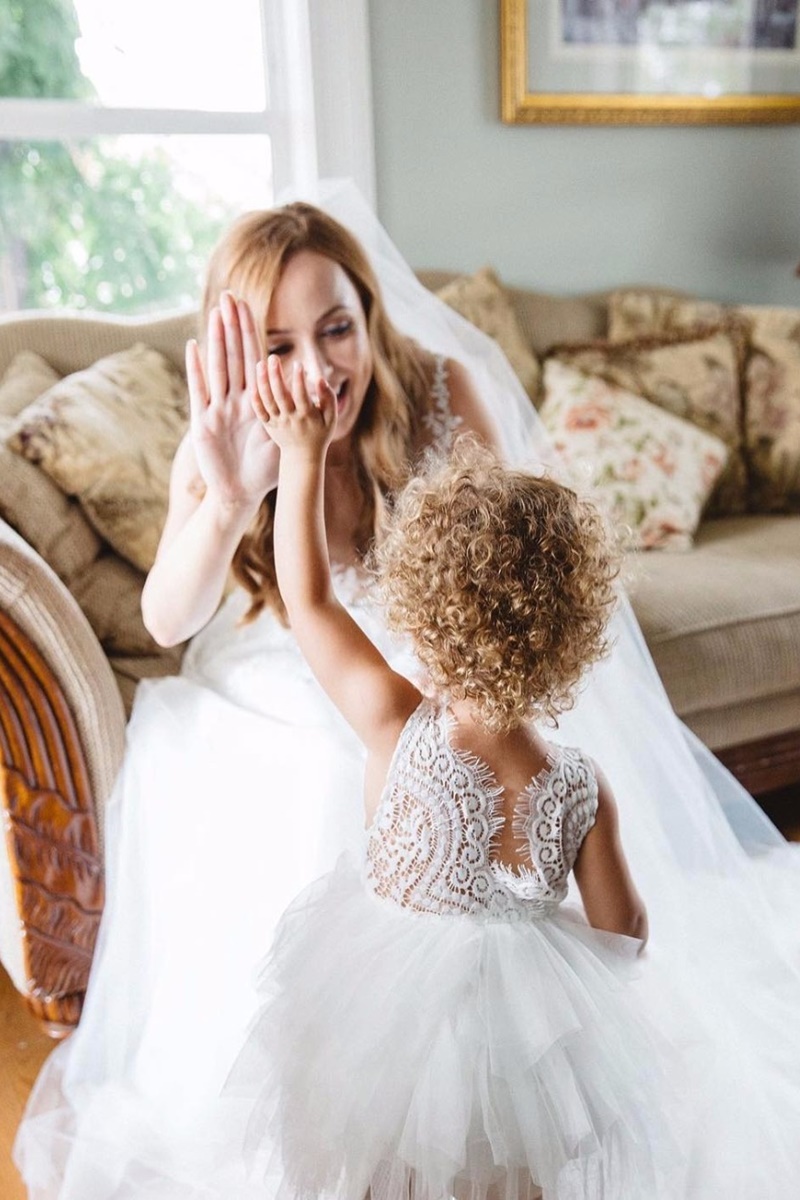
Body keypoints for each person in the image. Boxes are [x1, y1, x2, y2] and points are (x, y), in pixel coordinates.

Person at [13, 180, 800, 1199]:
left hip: (438, 645)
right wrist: (225, 496)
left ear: (369, 318)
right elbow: (172, 620)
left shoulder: (436, 393)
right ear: (244, 356)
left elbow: (511, 551)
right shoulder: (224, 437)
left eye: (334, 329)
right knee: (313, 762)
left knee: (421, 752)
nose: (314, 370)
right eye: (280, 347)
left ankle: (480, 1066)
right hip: (268, 661)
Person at [229, 373, 685, 1200]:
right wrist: (524, 932)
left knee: (386, 1173)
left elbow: (307, 599)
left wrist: (305, 452)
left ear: (424, 617)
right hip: (525, 1051)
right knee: (514, 1178)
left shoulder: (395, 724)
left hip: (392, 1033)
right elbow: (623, 935)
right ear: (567, 639)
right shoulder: (582, 789)